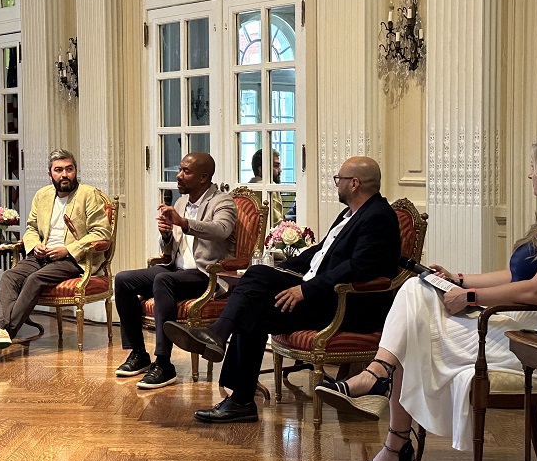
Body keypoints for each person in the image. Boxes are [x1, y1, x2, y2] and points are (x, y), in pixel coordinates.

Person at [315, 133, 537, 461]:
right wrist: (458, 278)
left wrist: (470, 297)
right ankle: (382, 393)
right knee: (417, 288)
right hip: (518, 321)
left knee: (411, 330)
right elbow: (515, 274)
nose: (530, 175)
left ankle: (388, 418)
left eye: (535, 167)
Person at [165, 156, 400, 423]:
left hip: (344, 304)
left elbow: (358, 267)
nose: (337, 185)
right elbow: (320, 253)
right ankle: (237, 393)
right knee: (255, 293)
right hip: (322, 293)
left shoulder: (378, 217)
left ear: (354, 183)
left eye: (339, 180)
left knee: (253, 301)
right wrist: (281, 268)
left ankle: (222, 349)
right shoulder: (350, 214)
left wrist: (305, 290)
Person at [0, 149, 111, 358]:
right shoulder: (42, 195)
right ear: (50, 173)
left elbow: (101, 232)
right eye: (58, 170)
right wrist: (35, 246)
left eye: (69, 169)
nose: (64, 174)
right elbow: (31, 227)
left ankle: (3, 334)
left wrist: (67, 249)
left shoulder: (89, 194)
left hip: (74, 260)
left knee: (35, 279)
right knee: (10, 276)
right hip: (41, 255)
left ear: (75, 171)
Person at [113, 152, 236, 389]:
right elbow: (171, 250)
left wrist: (184, 223)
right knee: (123, 279)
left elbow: (221, 230)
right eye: (180, 169)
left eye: (185, 171)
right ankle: (139, 353)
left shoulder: (223, 201)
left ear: (203, 177)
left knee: (163, 280)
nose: (178, 176)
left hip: (207, 275)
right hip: (177, 270)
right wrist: (166, 234)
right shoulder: (181, 202)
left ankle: (164, 363)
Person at [249, 148, 285, 227]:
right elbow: (277, 223)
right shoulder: (272, 188)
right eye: (276, 166)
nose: (280, 170)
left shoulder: (247, 188)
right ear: (261, 169)